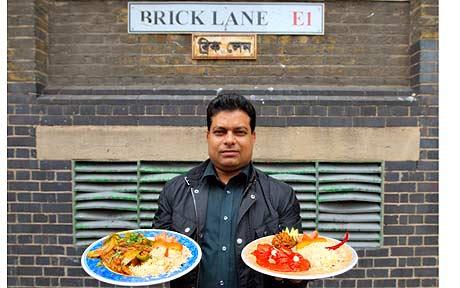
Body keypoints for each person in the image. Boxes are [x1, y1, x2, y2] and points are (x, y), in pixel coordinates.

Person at [153, 93, 307, 288]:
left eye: (240, 132)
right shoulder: (175, 191)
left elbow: (297, 268)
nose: (229, 140)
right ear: (207, 136)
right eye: (220, 132)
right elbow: (156, 258)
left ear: (253, 137)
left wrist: (295, 275)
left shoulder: (281, 196)